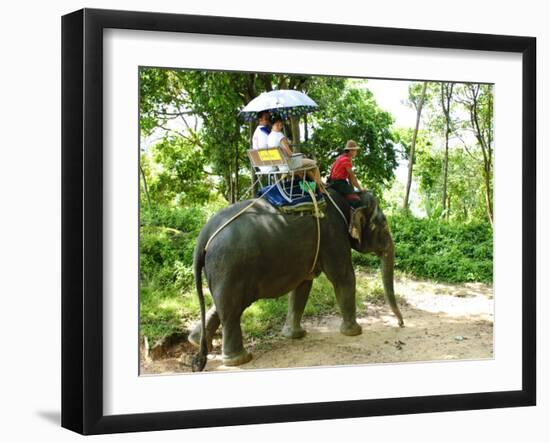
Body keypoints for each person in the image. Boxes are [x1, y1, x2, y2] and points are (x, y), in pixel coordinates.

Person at [267, 117, 326, 193]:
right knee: (314, 164)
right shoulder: (280, 136)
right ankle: (320, 188)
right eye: (277, 124)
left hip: (280, 166)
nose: (280, 126)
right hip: (289, 165)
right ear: (272, 125)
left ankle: (309, 188)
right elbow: (290, 154)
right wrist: (300, 155)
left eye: (280, 124)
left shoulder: (269, 137)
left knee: (306, 168)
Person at [328, 140, 364, 205]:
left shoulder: (341, 157)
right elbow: (352, 177)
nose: (356, 152)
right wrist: (360, 189)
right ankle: (355, 213)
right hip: (339, 183)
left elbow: (350, 178)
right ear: (350, 151)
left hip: (332, 181)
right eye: (355, 150)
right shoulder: (346, 160)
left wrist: (352, 189)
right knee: (356, 201)